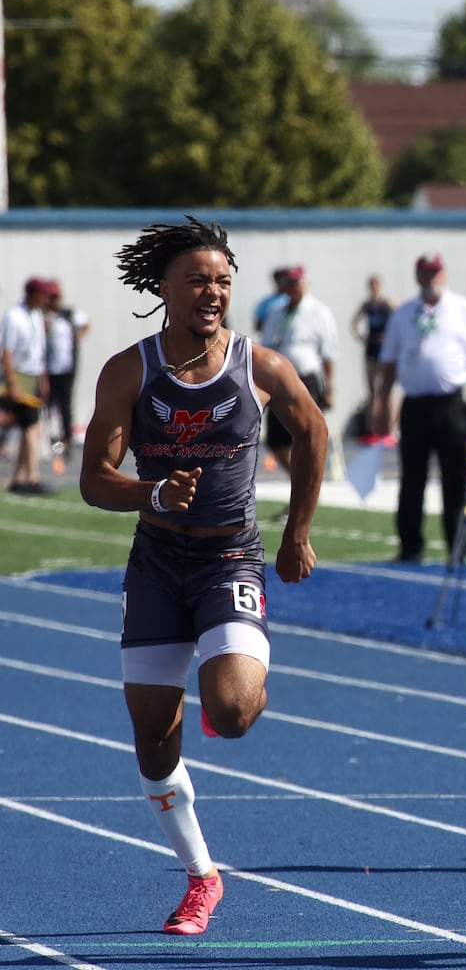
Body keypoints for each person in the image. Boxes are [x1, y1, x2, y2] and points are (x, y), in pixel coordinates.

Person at [78, 216, 327, 934]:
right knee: (154, 739)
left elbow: (311, 429)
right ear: (165, 289)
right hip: (156, 564)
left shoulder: (261, 366)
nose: (212, 291)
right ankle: (201, 877)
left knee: (233, 714)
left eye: (222, 280)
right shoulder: (131, 370)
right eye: (197, 280)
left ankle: (233, 674)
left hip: (229, 558)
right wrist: (152, 493)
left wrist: (297, 533)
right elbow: (96, 479)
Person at [378, 253, 466, 563]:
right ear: (418, 276)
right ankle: (410, 545)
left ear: (444, 273)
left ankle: (458, 545)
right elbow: (388, 365)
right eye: (426, 272)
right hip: (415, 405)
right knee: (412, 478)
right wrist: (382, 403)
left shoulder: (464, 310)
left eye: (435, 272)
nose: (431, 278)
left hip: (452, 404)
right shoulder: (402, 314)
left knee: (455, 478)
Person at [259, 267, 338, 474]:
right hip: (279, 380)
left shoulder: (319, 311)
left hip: (306, 378)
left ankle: (309, 480)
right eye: (289, 283)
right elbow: (266, 345)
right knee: (276, 439)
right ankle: (298, 476)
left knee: (307, 432)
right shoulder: (277, 311)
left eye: (296, 283)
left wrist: (329, 388)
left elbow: (328, 353)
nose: (292, 288)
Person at [1, 278, 54, 493]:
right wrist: (12, 383)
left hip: (32, 377)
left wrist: (43, 379)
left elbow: (38, 351)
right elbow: (7, 351)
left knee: (28, 428)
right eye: (43, 294)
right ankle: (33, 477)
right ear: (33, 294)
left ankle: (17, 479)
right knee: (32, 428)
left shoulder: (36, 315)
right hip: (19, 377)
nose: (47, 299)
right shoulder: (14, 316)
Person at [44, 281, 89, 464]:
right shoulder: (43, 315)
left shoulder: (68, 314)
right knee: (47, 403)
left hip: (66, 367)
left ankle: (66, 439)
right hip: (49, 368)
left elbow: (85, 323)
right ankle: (48, 438)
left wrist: (77, 337)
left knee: (65, 404)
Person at [351, 274, 395, 442]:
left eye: (377, 285)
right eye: (372, 285)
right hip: (371, 351)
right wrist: (362, 337)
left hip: (384, 352)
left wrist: (390, 337)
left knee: (386, 392)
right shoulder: (367, 305)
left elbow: (399, 319)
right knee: (371, 393)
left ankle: (389, 429)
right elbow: (354, 324)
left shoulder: (387, 304)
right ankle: (373, 428)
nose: (374, 289)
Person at [250, 267, 291, 333]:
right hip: (270, 341)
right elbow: (257, 326)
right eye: (280, 279)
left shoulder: (293, 300)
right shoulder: (265, 302)